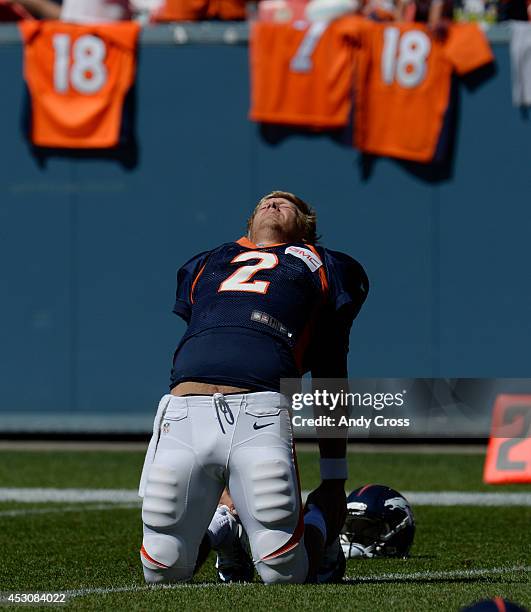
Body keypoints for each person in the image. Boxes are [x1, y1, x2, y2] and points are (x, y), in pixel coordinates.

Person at [138, 191, 369, 584]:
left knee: (283, 574)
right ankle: (223, 526)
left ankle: (320, 521)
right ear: (248, 223)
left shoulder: (327, 267)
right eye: (266, 200)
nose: (273, 202)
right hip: (183, 413)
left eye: (288, 203)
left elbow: (330, 372)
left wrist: (333, 479)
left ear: (307, 229)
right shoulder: (204, 264)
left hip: (259, 414)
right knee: (161, 570)